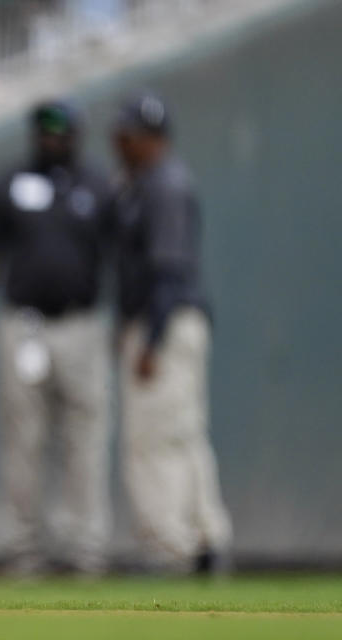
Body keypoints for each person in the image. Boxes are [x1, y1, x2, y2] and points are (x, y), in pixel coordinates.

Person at [0, 100, 112, 575]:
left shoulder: (97, 186)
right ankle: (24, 550)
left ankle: (86, 550)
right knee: (23, 438)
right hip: (23, 325)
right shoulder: (9, 183)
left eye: (61, 131)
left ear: (77, 135)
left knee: (84, 437)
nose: (52, 138)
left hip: (81, 324)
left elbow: (122, 257)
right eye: (44, 130)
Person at [110, 92, 231, 573]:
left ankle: (170, 548)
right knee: (182, 435)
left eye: (127, 134)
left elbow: (168, 269)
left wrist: (151, 340)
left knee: (154, 440)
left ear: (150, 138)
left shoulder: (164, 186)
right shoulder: (146, 183)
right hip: (172, 321)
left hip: (165, 321)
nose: (118, 142)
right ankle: (204, 541)